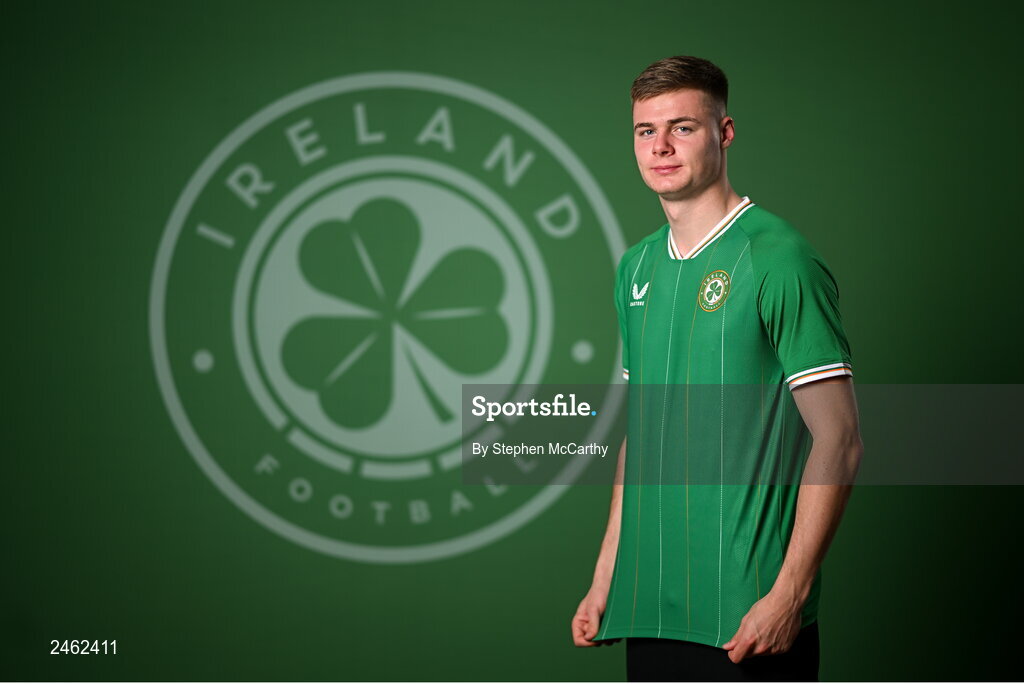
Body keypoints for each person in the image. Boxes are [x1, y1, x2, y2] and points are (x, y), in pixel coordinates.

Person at [570, 56, 863, 682]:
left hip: (748, 616)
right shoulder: (635, 268)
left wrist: (789, 597)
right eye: (646, 131)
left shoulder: (780, 258)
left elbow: (839, 440)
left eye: (683, 127)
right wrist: (606, 582)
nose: (662, 147)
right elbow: (640, 439)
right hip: (649, 607)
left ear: (723, 133)